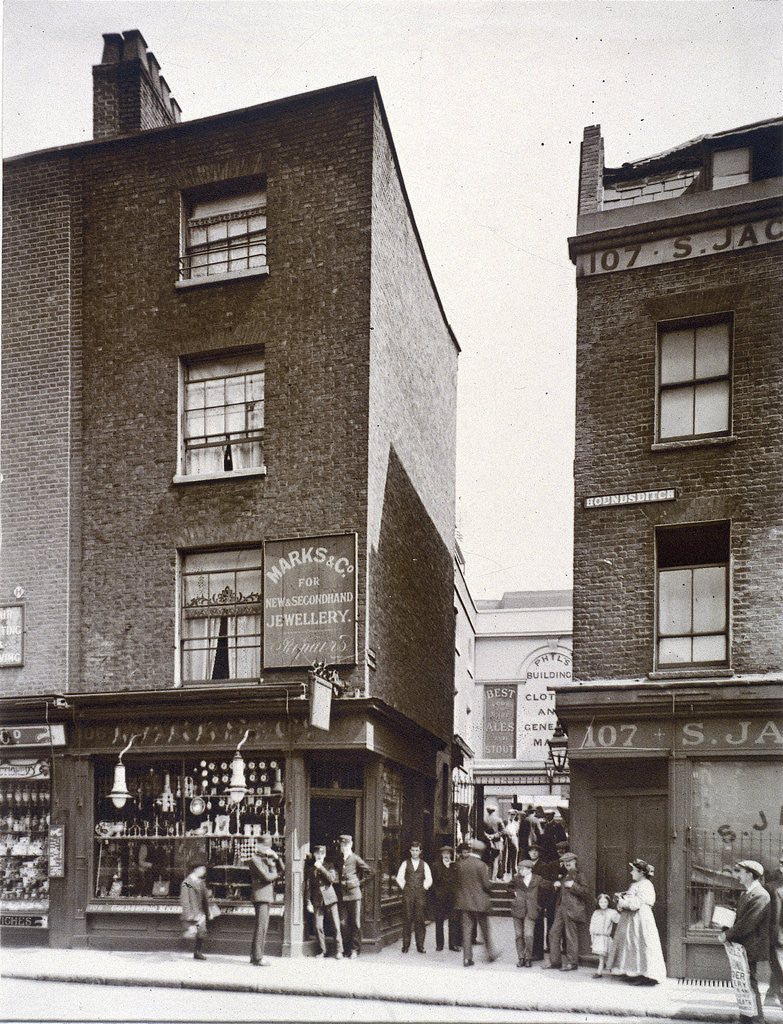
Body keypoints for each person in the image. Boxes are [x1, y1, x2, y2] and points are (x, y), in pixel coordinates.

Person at [721, 859, 770, 1023]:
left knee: (749, 983)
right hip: (743, 946)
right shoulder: (747, 893)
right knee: (743, 983)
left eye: (739, 872)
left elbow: (748, 923)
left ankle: (756, 1019)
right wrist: (725, 928)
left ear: (750, 874)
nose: (737, 875)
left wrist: (728, 935)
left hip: (751, 946)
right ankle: (747, 1017)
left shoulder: (761, 895)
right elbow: (739, 919)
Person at [606, 858, 666, 985]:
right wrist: (622, 900)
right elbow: (631, 899)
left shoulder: (646, 885)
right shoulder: (636, 885)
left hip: (641, 918)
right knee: (631, 944)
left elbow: (636, 903)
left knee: (642, 944)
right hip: (631, 918)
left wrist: (623, 901)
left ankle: (646, 975)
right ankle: (633, 972)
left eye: (633, 870)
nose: (631, 873)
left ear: (641, 872)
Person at [453, 837, 499, 967]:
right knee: (484, 929)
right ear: (480, 852)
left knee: (466, 931)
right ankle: (490, 954)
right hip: (480, 903)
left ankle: (467, 958)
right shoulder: (481, 865)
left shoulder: (461, 864)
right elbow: (486, 885)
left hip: (465, 902)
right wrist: (491, 885)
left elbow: (458, 883)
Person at [546, 850, 589, 971]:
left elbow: (586, 891)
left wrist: (573, 885)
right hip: (561, 908)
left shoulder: (580, 875)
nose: (567, 863)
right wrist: (556, 886)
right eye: (565, 862)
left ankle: (572, 963)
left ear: (574, 861)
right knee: (553, 933)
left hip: (572, 909)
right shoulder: (565, 876)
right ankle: (555, 961)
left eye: (569, 861)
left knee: (571, 936)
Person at [246, 832, 282, 966]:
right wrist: (274, 870)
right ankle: (258, 957)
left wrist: (277, 858)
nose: (268, 849)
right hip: (260, 896)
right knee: (261, 927)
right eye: (266, 847)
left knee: (262, 926)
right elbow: (267, 877)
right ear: (259, 845)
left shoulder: (266, 857)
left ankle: (254, 955)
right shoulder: (254, 859)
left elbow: (282, 870)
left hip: (266, 896)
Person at [336, 834, 373, 958]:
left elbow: (371, 873)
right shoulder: (339, 859)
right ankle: (345, 949)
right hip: (342, 896)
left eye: (346, 845)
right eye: (342, 845)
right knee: (343, 923)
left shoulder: (355, 858)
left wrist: (358, 883)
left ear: (351, 845)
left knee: (356, 923)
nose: (344, 847)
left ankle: (354, 950)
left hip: (354, 895)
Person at [395, 840, 433, 953]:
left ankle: (420, 946)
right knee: (407, 918)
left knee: (420, 919)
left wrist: (424, 887)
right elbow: (399, 877)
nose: (415, 852)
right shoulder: (405, 863)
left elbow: (429, 879)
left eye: (417, 850)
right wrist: (405, 887)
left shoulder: (424, 864)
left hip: (420, 894)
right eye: (413, 850)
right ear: (410, 851)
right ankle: (405, 945)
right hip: (408, 894)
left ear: (420, 851)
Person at [306, 845, 343, 959]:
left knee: (336, 926)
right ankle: (323, 950)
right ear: (314, 855)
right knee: (318, 927)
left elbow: (332, 879)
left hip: (330, 900)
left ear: (325, 855)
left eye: (322, 854)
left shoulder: (329, 866)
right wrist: (308, 902)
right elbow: (308, 887)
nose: (319, 856)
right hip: (317, 901)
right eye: (317, 854)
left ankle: (339, 951)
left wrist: (321, 867)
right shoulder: (311, 869)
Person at [529, 843, 558, 961]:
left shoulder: (543, 866)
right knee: (533, 926)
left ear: (539, 853)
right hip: (530, 899)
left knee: (538, 926)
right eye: (532, 851)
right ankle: (533, 950)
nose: (534, 853)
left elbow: (545, 884)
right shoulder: (527, 865)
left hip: (539, 899)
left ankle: (538, 953)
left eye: (536, 851)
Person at [510, 858, 540, 967]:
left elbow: (546, 889)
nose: (520, 871)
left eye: (522, 869)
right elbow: (508, 888)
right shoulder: (516, 879)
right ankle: (521, 958)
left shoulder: (537, 879)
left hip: (531, 910)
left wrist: (539, 905)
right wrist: (514, 894)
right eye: (519, 869)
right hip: (518, 909)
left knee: (528, 935)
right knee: (518, 935)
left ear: (529, 869)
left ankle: (528, 957)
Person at [430, 845, 460, 952]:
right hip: (440, 898)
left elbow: (458, 882)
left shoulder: (455, 866)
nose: (446, 855)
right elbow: (432, 882)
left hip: (452, 898)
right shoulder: (436, 866)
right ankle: (440, 945)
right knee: (439, 921)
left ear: (451, 855)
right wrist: (437, 893)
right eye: (444, 853)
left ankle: (453, 944)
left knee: (453, 921)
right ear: (441, 855)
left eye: (448, 853)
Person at [180, 858, 210, 960]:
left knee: (201, 933)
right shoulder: (187, 882)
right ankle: (194, 952)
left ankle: (197, 952)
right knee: (194, 932)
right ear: (196, 869)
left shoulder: (200, 882)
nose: (204, 871)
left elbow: (205, 897)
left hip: (200, 912)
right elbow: (185, 900)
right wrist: (189, 914)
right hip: (193, 912)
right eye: (202, 869)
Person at [764, 852, 783, 1008]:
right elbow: (775, 918)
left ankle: (772, 995)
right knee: (778, 966)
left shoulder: (774, 888)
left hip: (778, 936)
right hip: (779, 936)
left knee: (778, 966)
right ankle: (772, 996)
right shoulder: (775, 888)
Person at [590, 893, 620, 977]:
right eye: (601, 902)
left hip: (606, 937)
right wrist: (592, 935)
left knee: (609, 954)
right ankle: (599, 970)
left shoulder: (611, 912)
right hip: (598, 936)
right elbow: (592, 925)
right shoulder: (596, 913)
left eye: (605, 902)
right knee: (602, 955)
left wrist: (619, 910)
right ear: (598, 903)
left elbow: (618, 920)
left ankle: (612, 968)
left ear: (608, 902)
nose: (603, 904)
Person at [483, 805, 504, 881]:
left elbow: (480, 830)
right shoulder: (498, 820)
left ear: (487, 810)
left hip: (486, 842)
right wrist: (494, 836)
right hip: (497, 843)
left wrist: (487, 836)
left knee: (487, 860)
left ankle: (487, 878)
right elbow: (502, 831)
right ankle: (493, 878)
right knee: (496, 861)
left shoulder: (483, 820)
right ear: (494, 811)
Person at [503, 812, 520, 879]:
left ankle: (514, 873)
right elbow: (502, 830)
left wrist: (514, 837)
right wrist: (508, 834)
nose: (512, 816)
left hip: (514, 839)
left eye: (514, 815)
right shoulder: (505, 821)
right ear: (508, 814)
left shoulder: (516, 823)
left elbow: (517, 832)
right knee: (506, 856)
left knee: (514, 857)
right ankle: (504, 873)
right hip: (506, 839)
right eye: (511, 814)